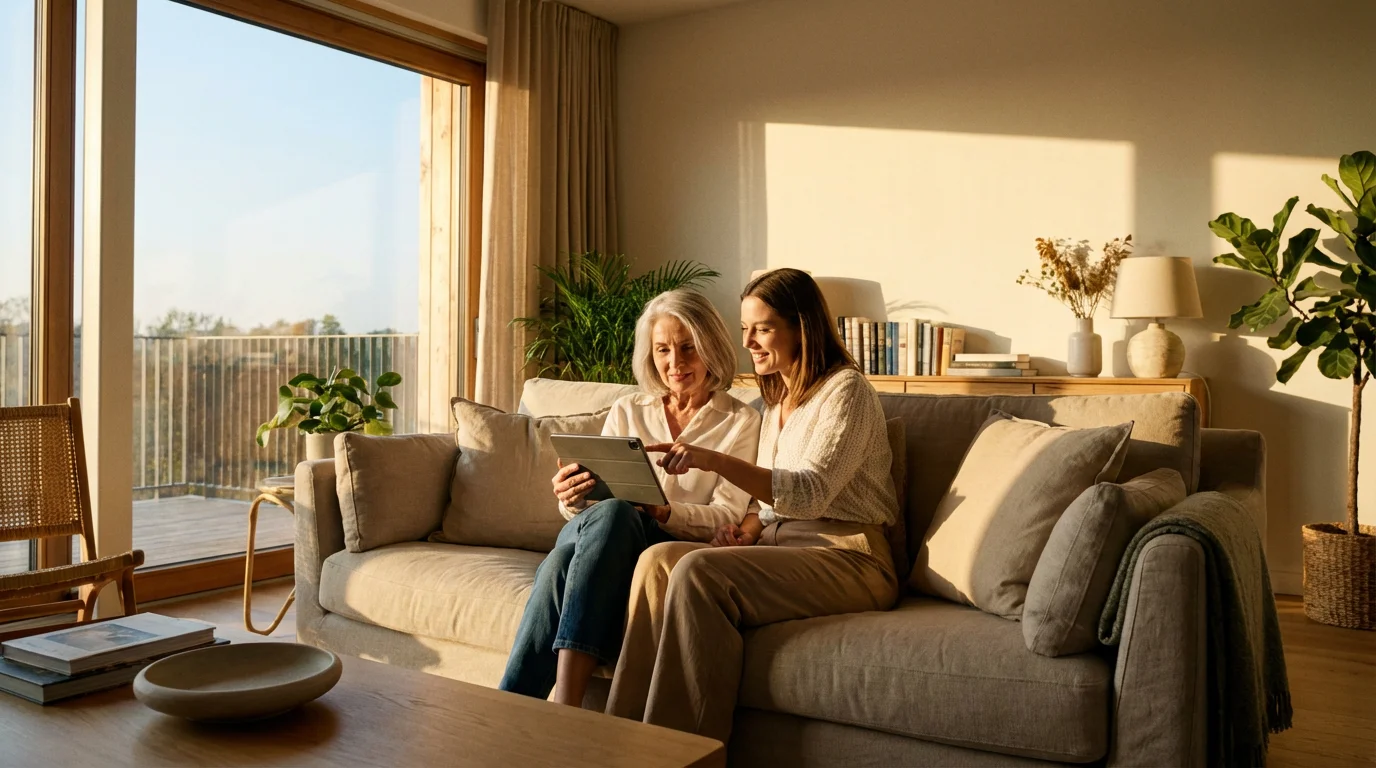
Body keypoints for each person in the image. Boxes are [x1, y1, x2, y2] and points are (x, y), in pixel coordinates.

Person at [605, 268, 900, 742]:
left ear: (801, 327)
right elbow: (766, 506)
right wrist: (744, 530)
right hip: (782, 546)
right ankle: (619, 742)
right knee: (658, 560)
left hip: (849, 556)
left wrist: (714, 460)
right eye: (745, 329)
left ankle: (681, 753)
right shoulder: (775, 400)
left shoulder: (847, 391)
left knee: (699, 574)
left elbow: (807, 494)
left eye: (762, 328)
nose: (749, 342)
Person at [499, 289, 761, 708]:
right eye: (663, 350)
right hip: (601, 530)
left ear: (710, 345)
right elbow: (589, 506)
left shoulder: (740, 421)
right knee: (611, 513)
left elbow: (727, 515)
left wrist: (664, 512)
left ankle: (512, 711)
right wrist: (572, 497)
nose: (675, 363)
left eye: (687, 348)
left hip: (659, 543)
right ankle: (560, 707)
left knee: (563, 562)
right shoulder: (627, 410)